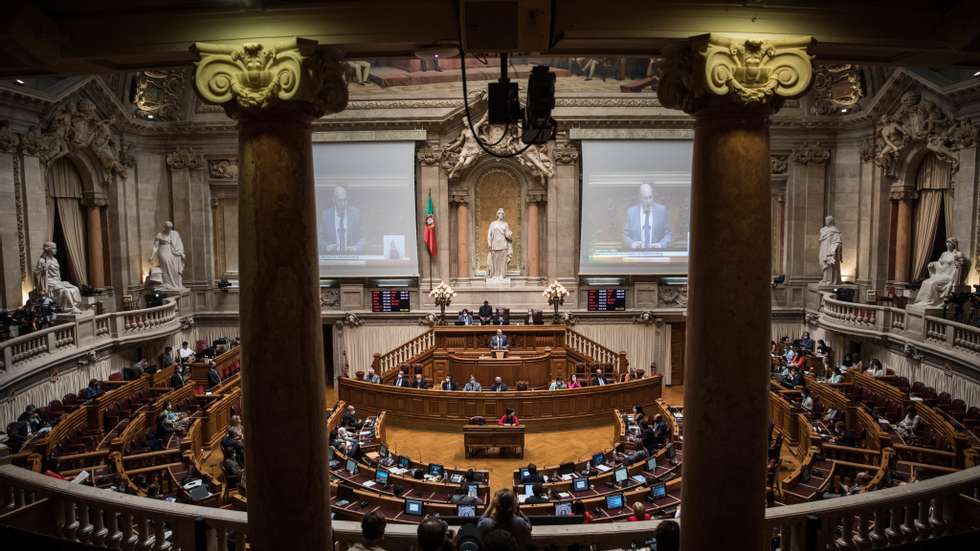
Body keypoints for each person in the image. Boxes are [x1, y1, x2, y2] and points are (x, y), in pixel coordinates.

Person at [911, 237, 967, 308]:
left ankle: (930, 302)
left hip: (949, 276)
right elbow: (939, 264)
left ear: (954, 244)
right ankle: (922, 302)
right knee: (925, 282)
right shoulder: (944, 254)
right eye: (947, 242)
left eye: (950, 242)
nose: (948, 244)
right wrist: (933, 264)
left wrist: (958, 264)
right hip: (940, 274)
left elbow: (960, 265)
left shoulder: (957, 254)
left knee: (932, 284)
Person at [32, 241, 82, 313]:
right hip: (49, 282)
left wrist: (59, 280)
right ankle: (72, 307)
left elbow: (57, 273)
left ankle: (66, 307)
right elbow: (37, 274)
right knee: (65, 291)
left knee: (75, 288)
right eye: (54, 248)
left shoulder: (55, 260)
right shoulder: (42, 260)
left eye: (56, 248)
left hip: (57, 281)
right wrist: (45, 267)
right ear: (48, 249)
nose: (56, 250)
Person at [623, 183, 671, 250]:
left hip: (656, 254)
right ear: (640, 198)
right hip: (637, 254)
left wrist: (661, 245)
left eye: (650, 197)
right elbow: (625, 236)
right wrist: (632, 244)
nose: (649, 201)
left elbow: (668, 235)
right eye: (645, 198)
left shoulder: (661, 210)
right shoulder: (631, 212)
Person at [320, 185, 364, 254]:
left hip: (352, 256)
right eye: (340, 200)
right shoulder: (325, 215)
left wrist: (356, 247)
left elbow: (364, 237)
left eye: (345, 200)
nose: (343, 204)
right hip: (332, 256)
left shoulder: (356, 214)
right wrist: (326, 247)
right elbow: (319, 238)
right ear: (333, 200)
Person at [149, 221, 186, 290]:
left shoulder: (174, 234)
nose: (169, 230)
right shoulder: (159, 235)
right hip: (163, 251)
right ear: (165, 227)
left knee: (174, 268)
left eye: (170, 228)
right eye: (168, 228)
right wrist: (152, 256)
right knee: (166, 263)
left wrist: (181, 253)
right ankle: (166, 283)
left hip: (172, 251)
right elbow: (155, 247)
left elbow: (179, 244)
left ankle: (174, 284)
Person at [487, 208, 514, 281]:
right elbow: (489, 234)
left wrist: (509, 235)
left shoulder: (505, 224)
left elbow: (507, 234)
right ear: (497, 215)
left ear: (504, 215)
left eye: (502, 214)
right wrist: (489, 243)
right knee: (495, 261)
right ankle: (495, 274)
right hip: (495, 244)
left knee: (502, 261)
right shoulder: (493, 224)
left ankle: (501, 274)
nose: (501, 215)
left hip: (503, 244)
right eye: (499, 213)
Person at [819, 215, 843, 285]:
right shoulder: (823, 230)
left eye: (827, 220)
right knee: (823, 263)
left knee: (830, 265)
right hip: (823, 249)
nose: (826, 221)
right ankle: (825, 279)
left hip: (830, 250)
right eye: (826, 220)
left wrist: (832, 250)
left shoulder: (835, 231)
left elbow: (837, 241)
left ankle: (830, 280)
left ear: (831, 221)